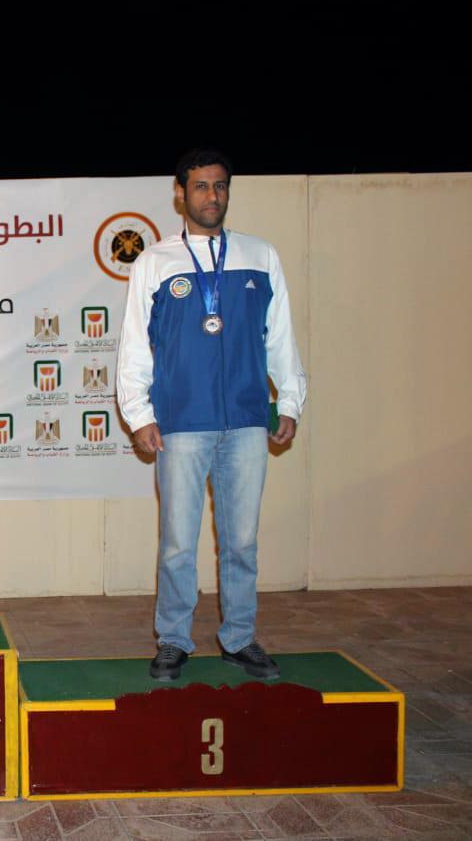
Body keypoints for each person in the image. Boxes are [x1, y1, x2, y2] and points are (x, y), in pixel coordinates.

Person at [116, 150, 307, 681]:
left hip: (246, 419)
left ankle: (239, 638)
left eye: (220, 186)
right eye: (200, 186)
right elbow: (134, 346)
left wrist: (289, 400)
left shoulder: (259, 255)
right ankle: (173, 639)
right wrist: (139, 413)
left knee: (241, 542)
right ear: (180, 193)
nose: (211, 196)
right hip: (181, 421)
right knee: (178, 543)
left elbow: (281, 336)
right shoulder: (154, 262)